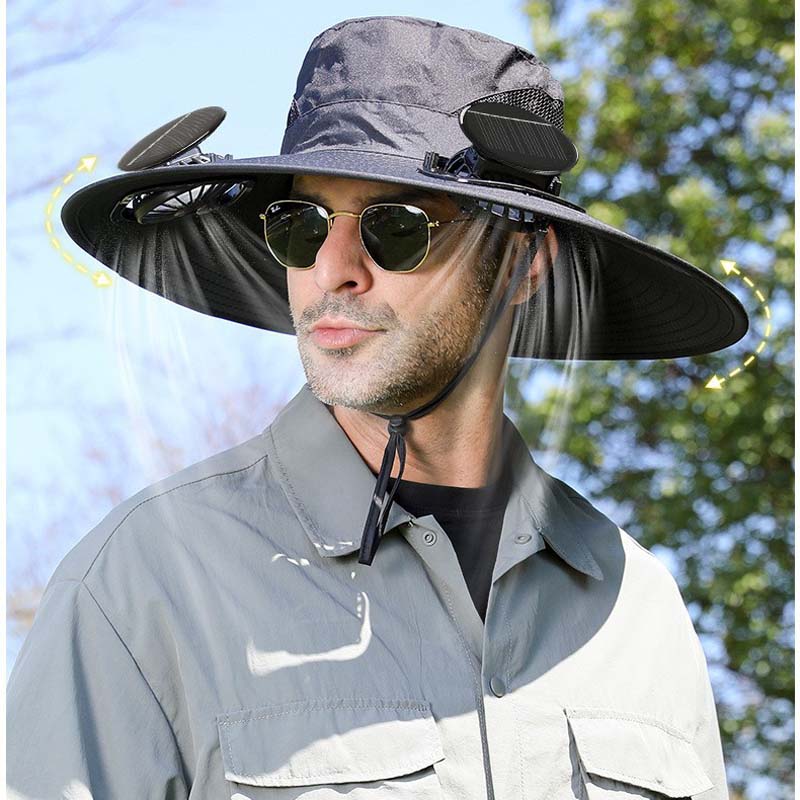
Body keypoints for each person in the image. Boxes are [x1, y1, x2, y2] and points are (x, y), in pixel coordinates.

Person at [8, 15, 746, 800]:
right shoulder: (144, 581)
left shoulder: (637, 608)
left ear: (523, 262)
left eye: (398, 227)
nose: (333, 269)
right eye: (300, 226)